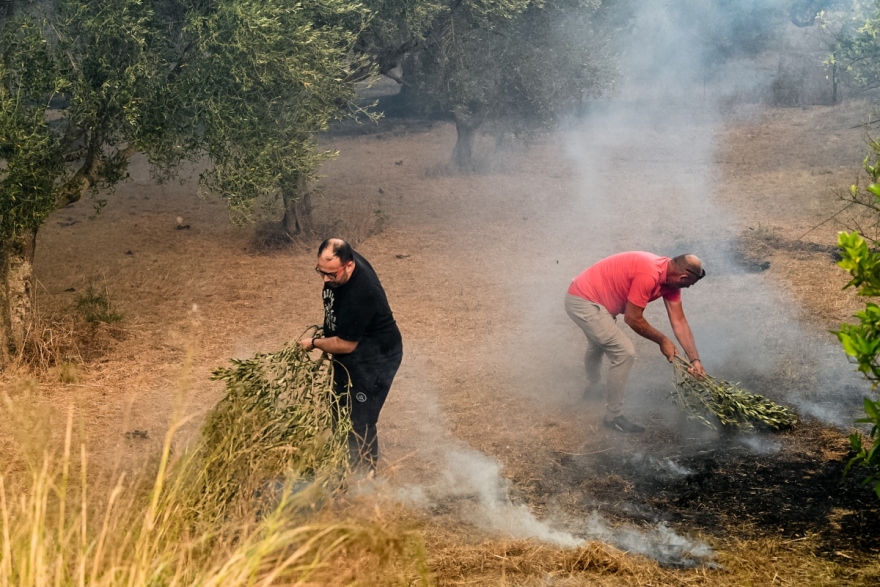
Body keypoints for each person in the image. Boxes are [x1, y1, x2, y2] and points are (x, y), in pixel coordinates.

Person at [564, 252, 706, 433]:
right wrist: (662, 340)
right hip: (583, 300)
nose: (688, 288)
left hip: (596, 301)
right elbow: (632, 318)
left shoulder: (672, 281)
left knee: (598, 341)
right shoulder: (649, 274)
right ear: (683, 277)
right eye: (689, 284)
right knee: (624, 352)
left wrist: (695, 360)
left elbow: (679, 321)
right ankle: (613, 417)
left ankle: (593, 388)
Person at [299, 238, 403, 472]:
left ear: (348, 265)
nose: (326, 280)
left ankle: (364, 479)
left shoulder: (362, 293)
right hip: (352, 356)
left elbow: (345, 345)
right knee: (339, 407)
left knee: (360, 420)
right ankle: (342, 464)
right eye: (321, 272)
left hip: (376, 360)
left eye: (331, 275)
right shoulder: (342, 265)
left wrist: (314, 343)